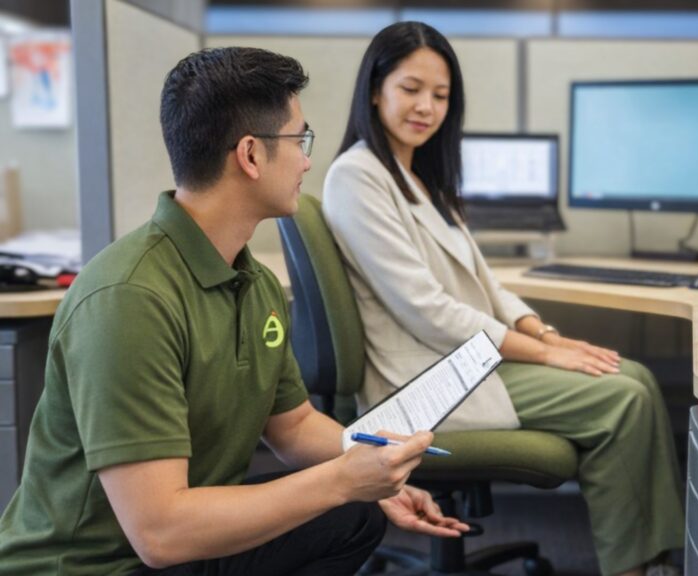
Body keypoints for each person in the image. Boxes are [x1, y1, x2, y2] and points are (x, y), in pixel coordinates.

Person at [0, 47, 468, 576]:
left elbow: (293, 427)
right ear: (250, 155)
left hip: (178, 541)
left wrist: (372, 465)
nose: (307, 161)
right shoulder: (129, 298)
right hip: (99, 564)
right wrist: (341, 480)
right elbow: (159, 533)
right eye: (299, 141)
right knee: (337, 499)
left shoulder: (254, 282)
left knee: (353, 516)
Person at [322, 22, 686, 576]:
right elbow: (425, 308)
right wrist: (544, 355)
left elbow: (486, 285)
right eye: (411, 89)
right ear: (375, 90)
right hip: (426, 380)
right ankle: (635, 568)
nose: (426, 107)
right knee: (624, 399)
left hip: (462, 361)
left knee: (633, 376)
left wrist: (545, 333)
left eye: (440, 95)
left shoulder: (419, 178)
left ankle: (654, 561)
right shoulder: (357, 176)